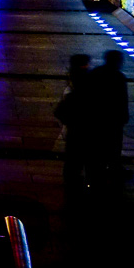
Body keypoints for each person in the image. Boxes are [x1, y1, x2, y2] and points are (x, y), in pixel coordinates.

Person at [85, 50, 131, 187]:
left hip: (97, 117)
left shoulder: (95, 73)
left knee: (97, 146)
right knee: (114, 145)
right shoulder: (119, 77)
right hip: (113, 119)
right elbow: (122, 99)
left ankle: (96, 171)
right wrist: (124, 115)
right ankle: (113, 169)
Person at [54, 54, 94, 190]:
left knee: (72, 161)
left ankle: (71, 183)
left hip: (74, 130)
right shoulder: (86, 80)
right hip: (85, 129)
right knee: (86, 159)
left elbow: (59, 111)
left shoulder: (71, 84)